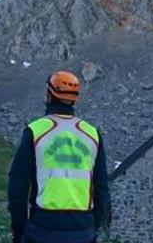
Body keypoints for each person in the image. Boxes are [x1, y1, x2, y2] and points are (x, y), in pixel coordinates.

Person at [8, 71, 111, 243]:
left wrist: (19, 230)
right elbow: (101, 187)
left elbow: (18, 185)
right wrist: (95, 226)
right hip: (83, 230)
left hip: (42, 228)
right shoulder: (92, 134)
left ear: (49, 95)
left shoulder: (35, 131)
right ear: (74, 99)